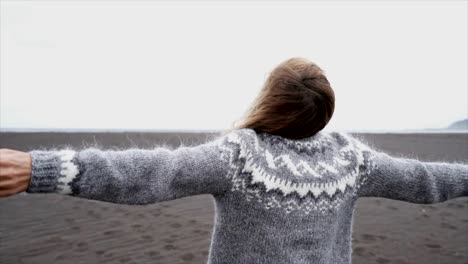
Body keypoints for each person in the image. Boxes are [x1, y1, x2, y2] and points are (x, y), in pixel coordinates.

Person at [0, 57, 467, 264]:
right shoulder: (352, 161)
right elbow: (426, 180)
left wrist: (40, 169)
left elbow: (151, 174)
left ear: (269, 100)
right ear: (324, 110)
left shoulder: (241, 158)